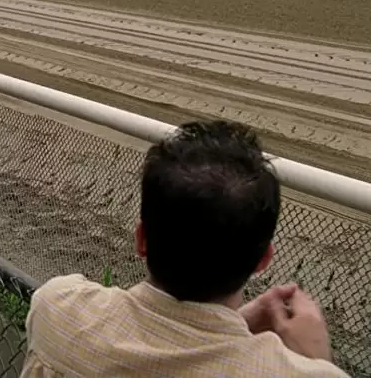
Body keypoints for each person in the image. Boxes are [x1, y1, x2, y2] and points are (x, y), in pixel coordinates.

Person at [22, 121, 348, 377]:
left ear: (141, 239)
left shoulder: (57, 309)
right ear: (263, 260)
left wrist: (238, 323)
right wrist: (317, 359)